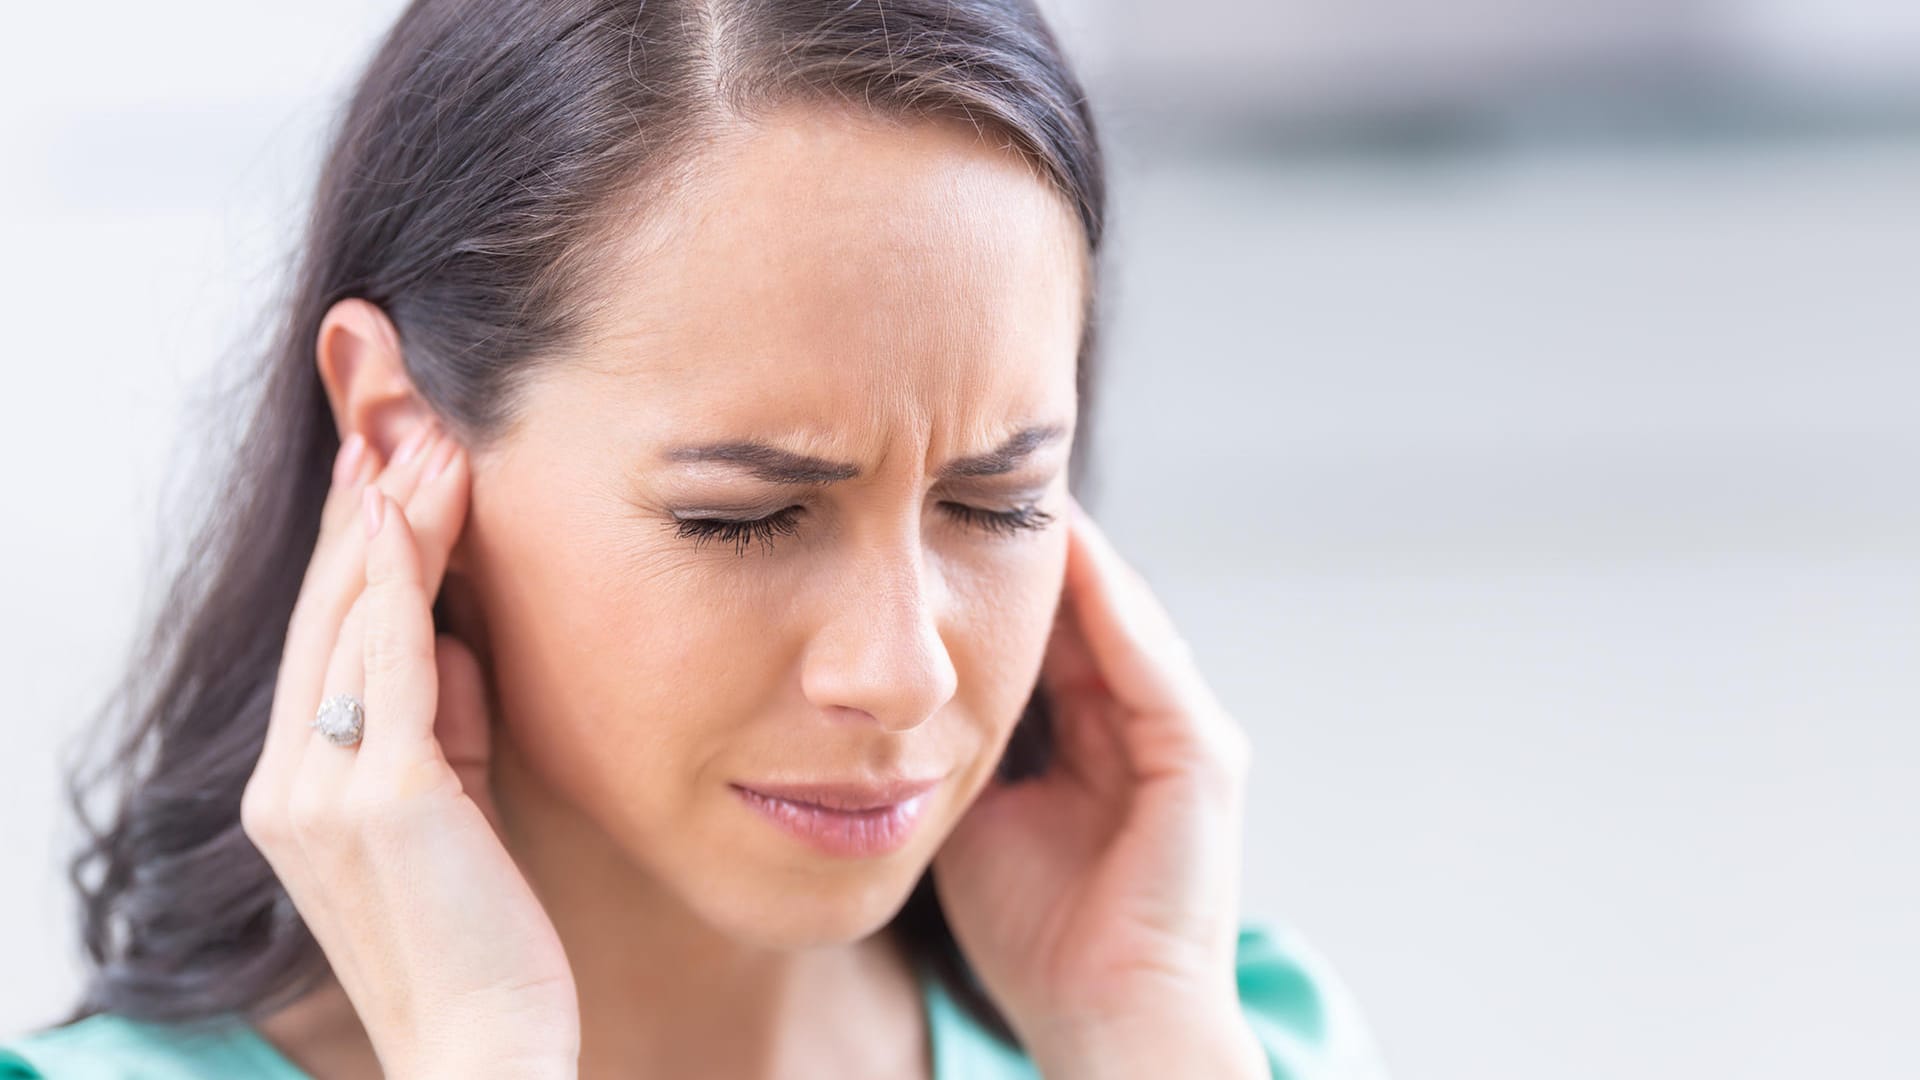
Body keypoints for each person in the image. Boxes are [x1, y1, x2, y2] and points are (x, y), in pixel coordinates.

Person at [0, 1, 1387, 1076]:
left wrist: (1139, 1044)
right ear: (394, 432)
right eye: (748, 516)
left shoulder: (1221, 1039)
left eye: (997, 501)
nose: (906, 675)